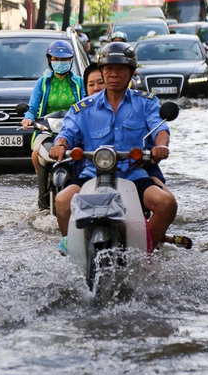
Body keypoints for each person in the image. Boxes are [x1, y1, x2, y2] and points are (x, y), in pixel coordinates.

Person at [50, 42, 191, 255]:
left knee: (167, 203)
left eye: (120, 69)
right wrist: (60, 145)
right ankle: (73, 251)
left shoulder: (146, 102)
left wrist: (161, 145)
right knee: (61, 201)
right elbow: (67, 132)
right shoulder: (84, 107)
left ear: (131, 73)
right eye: (109, 69)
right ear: (102, 72)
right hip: (91, 175)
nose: (114, 74)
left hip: (133, 174)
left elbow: (159, 128)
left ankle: (145, 253)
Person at [21, 40, 84, 173]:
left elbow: (86, 106)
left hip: (73, 129)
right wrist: (28, 118)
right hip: (47, 130)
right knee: (36, 154)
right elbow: (32, 108)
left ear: (70, 60)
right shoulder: (42, 83)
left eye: (64, 59)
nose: (60, 62)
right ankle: (42, 187)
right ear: (50, 60)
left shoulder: (79, 82)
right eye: (56, 59)